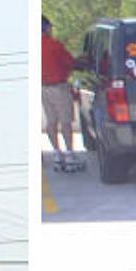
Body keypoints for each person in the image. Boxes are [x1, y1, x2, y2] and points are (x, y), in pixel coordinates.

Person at [41, 15, 83, 170]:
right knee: (65, 121)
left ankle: (57, 154)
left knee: (51, 121)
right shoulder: (54, 45)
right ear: (45, 28)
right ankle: (70, 154)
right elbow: (70, 62)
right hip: (58, 87)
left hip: (43, 88)